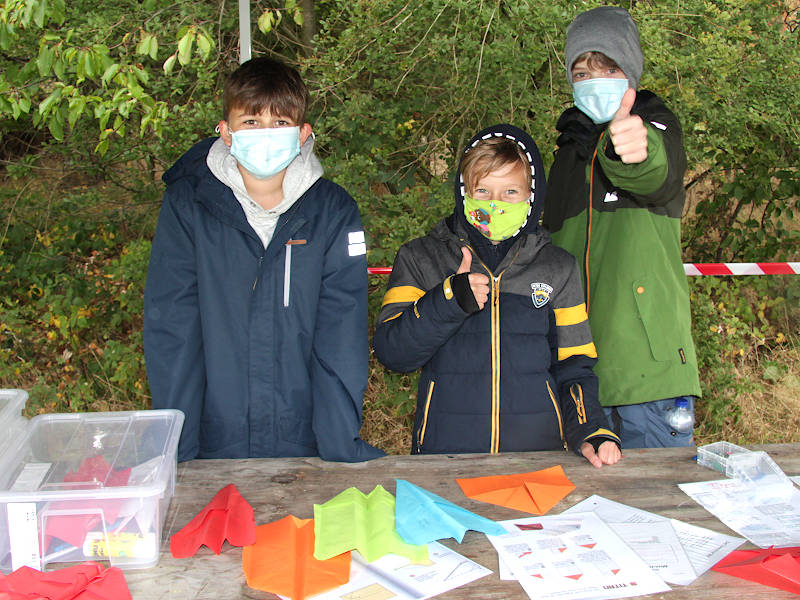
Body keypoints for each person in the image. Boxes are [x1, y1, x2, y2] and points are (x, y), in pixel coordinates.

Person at [144, 57, 383, 462]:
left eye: (281, 123)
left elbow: (341, 339)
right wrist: (179, 456)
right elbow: (174, 335)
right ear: (226, 132)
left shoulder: (333, 211)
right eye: (251, 122)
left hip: (305, 441)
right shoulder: (188, 206)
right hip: (212, 442)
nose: (266, 134)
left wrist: (338, 448)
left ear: (304, 133)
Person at [373, 124, 621, 468]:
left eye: (510, 192)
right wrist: (447, 301)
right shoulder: (421, 257)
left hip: (538, 458)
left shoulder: (558, 266)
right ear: (464, 191)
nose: (495, 203)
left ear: (531, 195)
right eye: (483, 190)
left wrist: (592, 429)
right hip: (444, 456)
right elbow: (392, 352)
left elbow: (575, 366)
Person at [542, 6, 701, 449]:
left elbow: (653, 172)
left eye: (606, 66)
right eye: (581, 70)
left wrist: (631, 148)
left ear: (629, 70)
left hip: (648, 380)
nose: (593, 79)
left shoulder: (657, 126)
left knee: (662, 509)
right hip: (576, 379)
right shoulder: (567, 155)